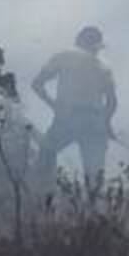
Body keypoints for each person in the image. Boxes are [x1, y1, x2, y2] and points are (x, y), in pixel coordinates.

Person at [31, 25, 117, 186]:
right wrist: (106, 123)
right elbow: (112, 102)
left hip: (68, 119)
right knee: (94, 175)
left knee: (46, 153)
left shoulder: (64, 57)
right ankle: (93, 200)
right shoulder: (103, 66)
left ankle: (44, 193)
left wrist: (54, 105)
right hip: (94, 122)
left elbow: (37, 84)